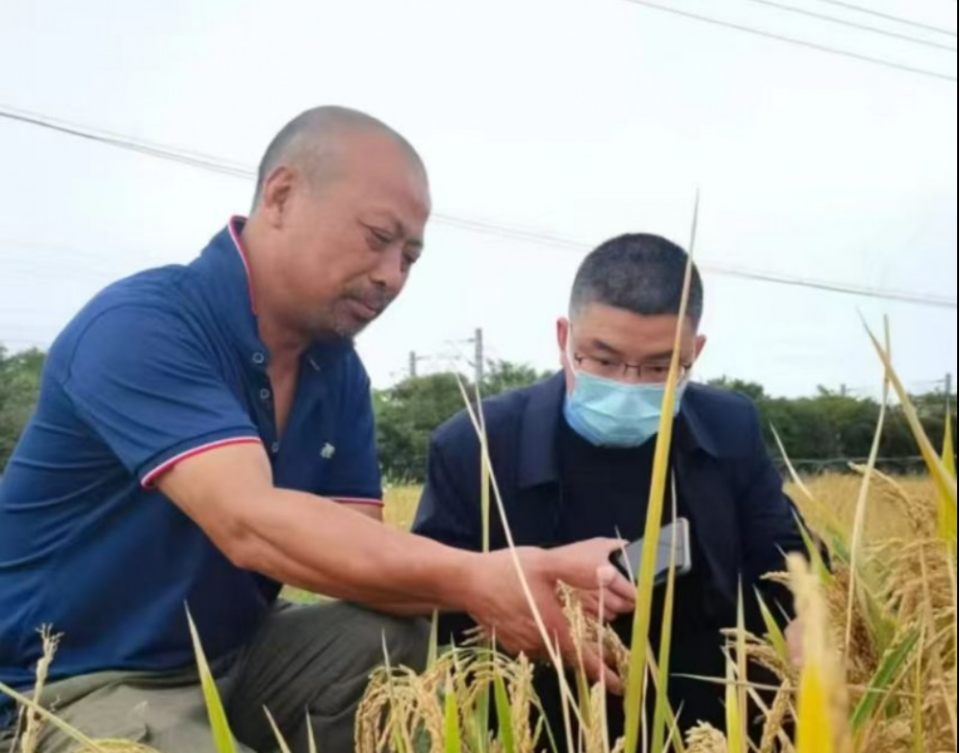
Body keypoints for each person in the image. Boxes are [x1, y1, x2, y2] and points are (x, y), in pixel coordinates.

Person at [0, 107, 635, 753]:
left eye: (410, 256)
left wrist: (516, 590)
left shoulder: (337, 372)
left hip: (238, 656)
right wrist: (481, 579)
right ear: (281, 195)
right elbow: (248, 521)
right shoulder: (145, 324)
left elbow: (354, 551)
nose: (392, 274)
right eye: (376, 238)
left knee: (396, 643)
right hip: (73, 679)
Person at [413, 234, 811, 745]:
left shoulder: (730, 426)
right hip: (542, 716)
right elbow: (429, 601)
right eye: (601, 359)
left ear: (696, 351)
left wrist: (806, 615)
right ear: (564, 338)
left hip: (712, 715)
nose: (629, 385)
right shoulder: (477, 443)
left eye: (660, 367)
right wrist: (530, 599)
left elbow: (785, 553)